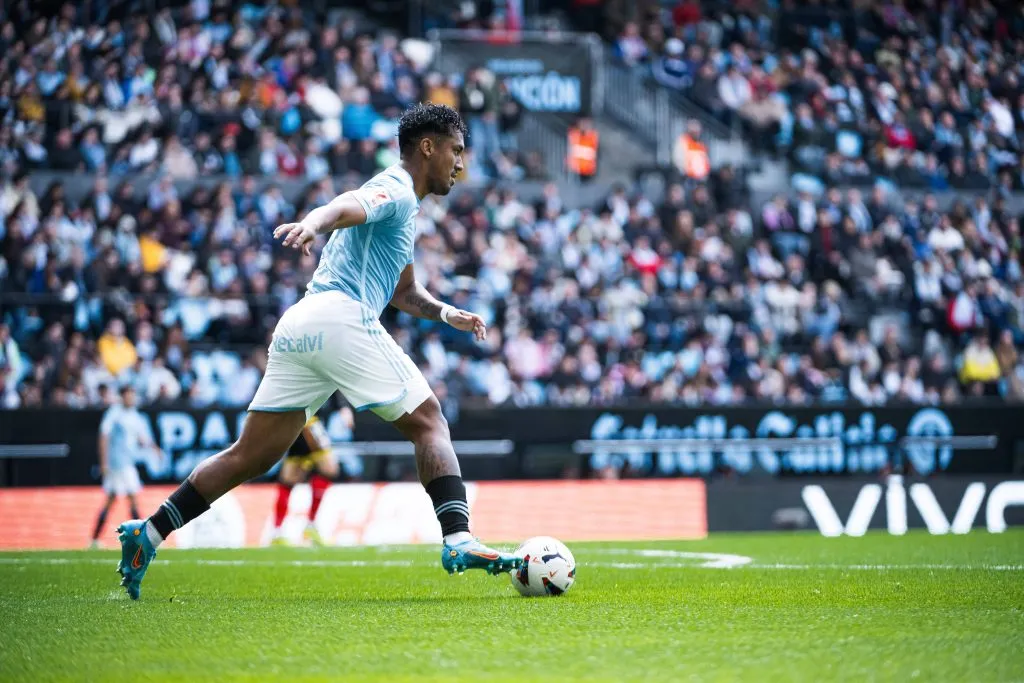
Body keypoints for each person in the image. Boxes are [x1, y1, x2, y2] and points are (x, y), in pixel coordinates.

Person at [115, 104, 522, 599]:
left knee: (250, 456)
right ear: (428, 147)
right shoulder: (393, 187)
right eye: (456, 151)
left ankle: (150, 532)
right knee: (431, 422)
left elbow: (402, 291)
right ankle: (459, 538)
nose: (461, 165)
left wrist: (445, 313)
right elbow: (347, 203)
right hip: (339, 318)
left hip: (301, 324)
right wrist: (315, 220)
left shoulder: (403, 209)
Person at [90, 386, 163, 549]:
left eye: (133, 395)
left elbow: (141, 438)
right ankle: (142, 540)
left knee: (112, 500)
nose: (131, 398)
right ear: (122, 397)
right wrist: (103, 462)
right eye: (129, 395)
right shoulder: (114, 414)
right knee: (133, 500)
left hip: (127, 462)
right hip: (119, 464)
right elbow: (103, 437)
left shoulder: (134, 415)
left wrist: (154, 448)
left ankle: (94, 539)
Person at [270, 412, 349, 546]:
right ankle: (304, 527)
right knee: (328, 469)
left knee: (289, 480)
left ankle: (279, 531)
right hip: (307, 420)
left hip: (298, 419)